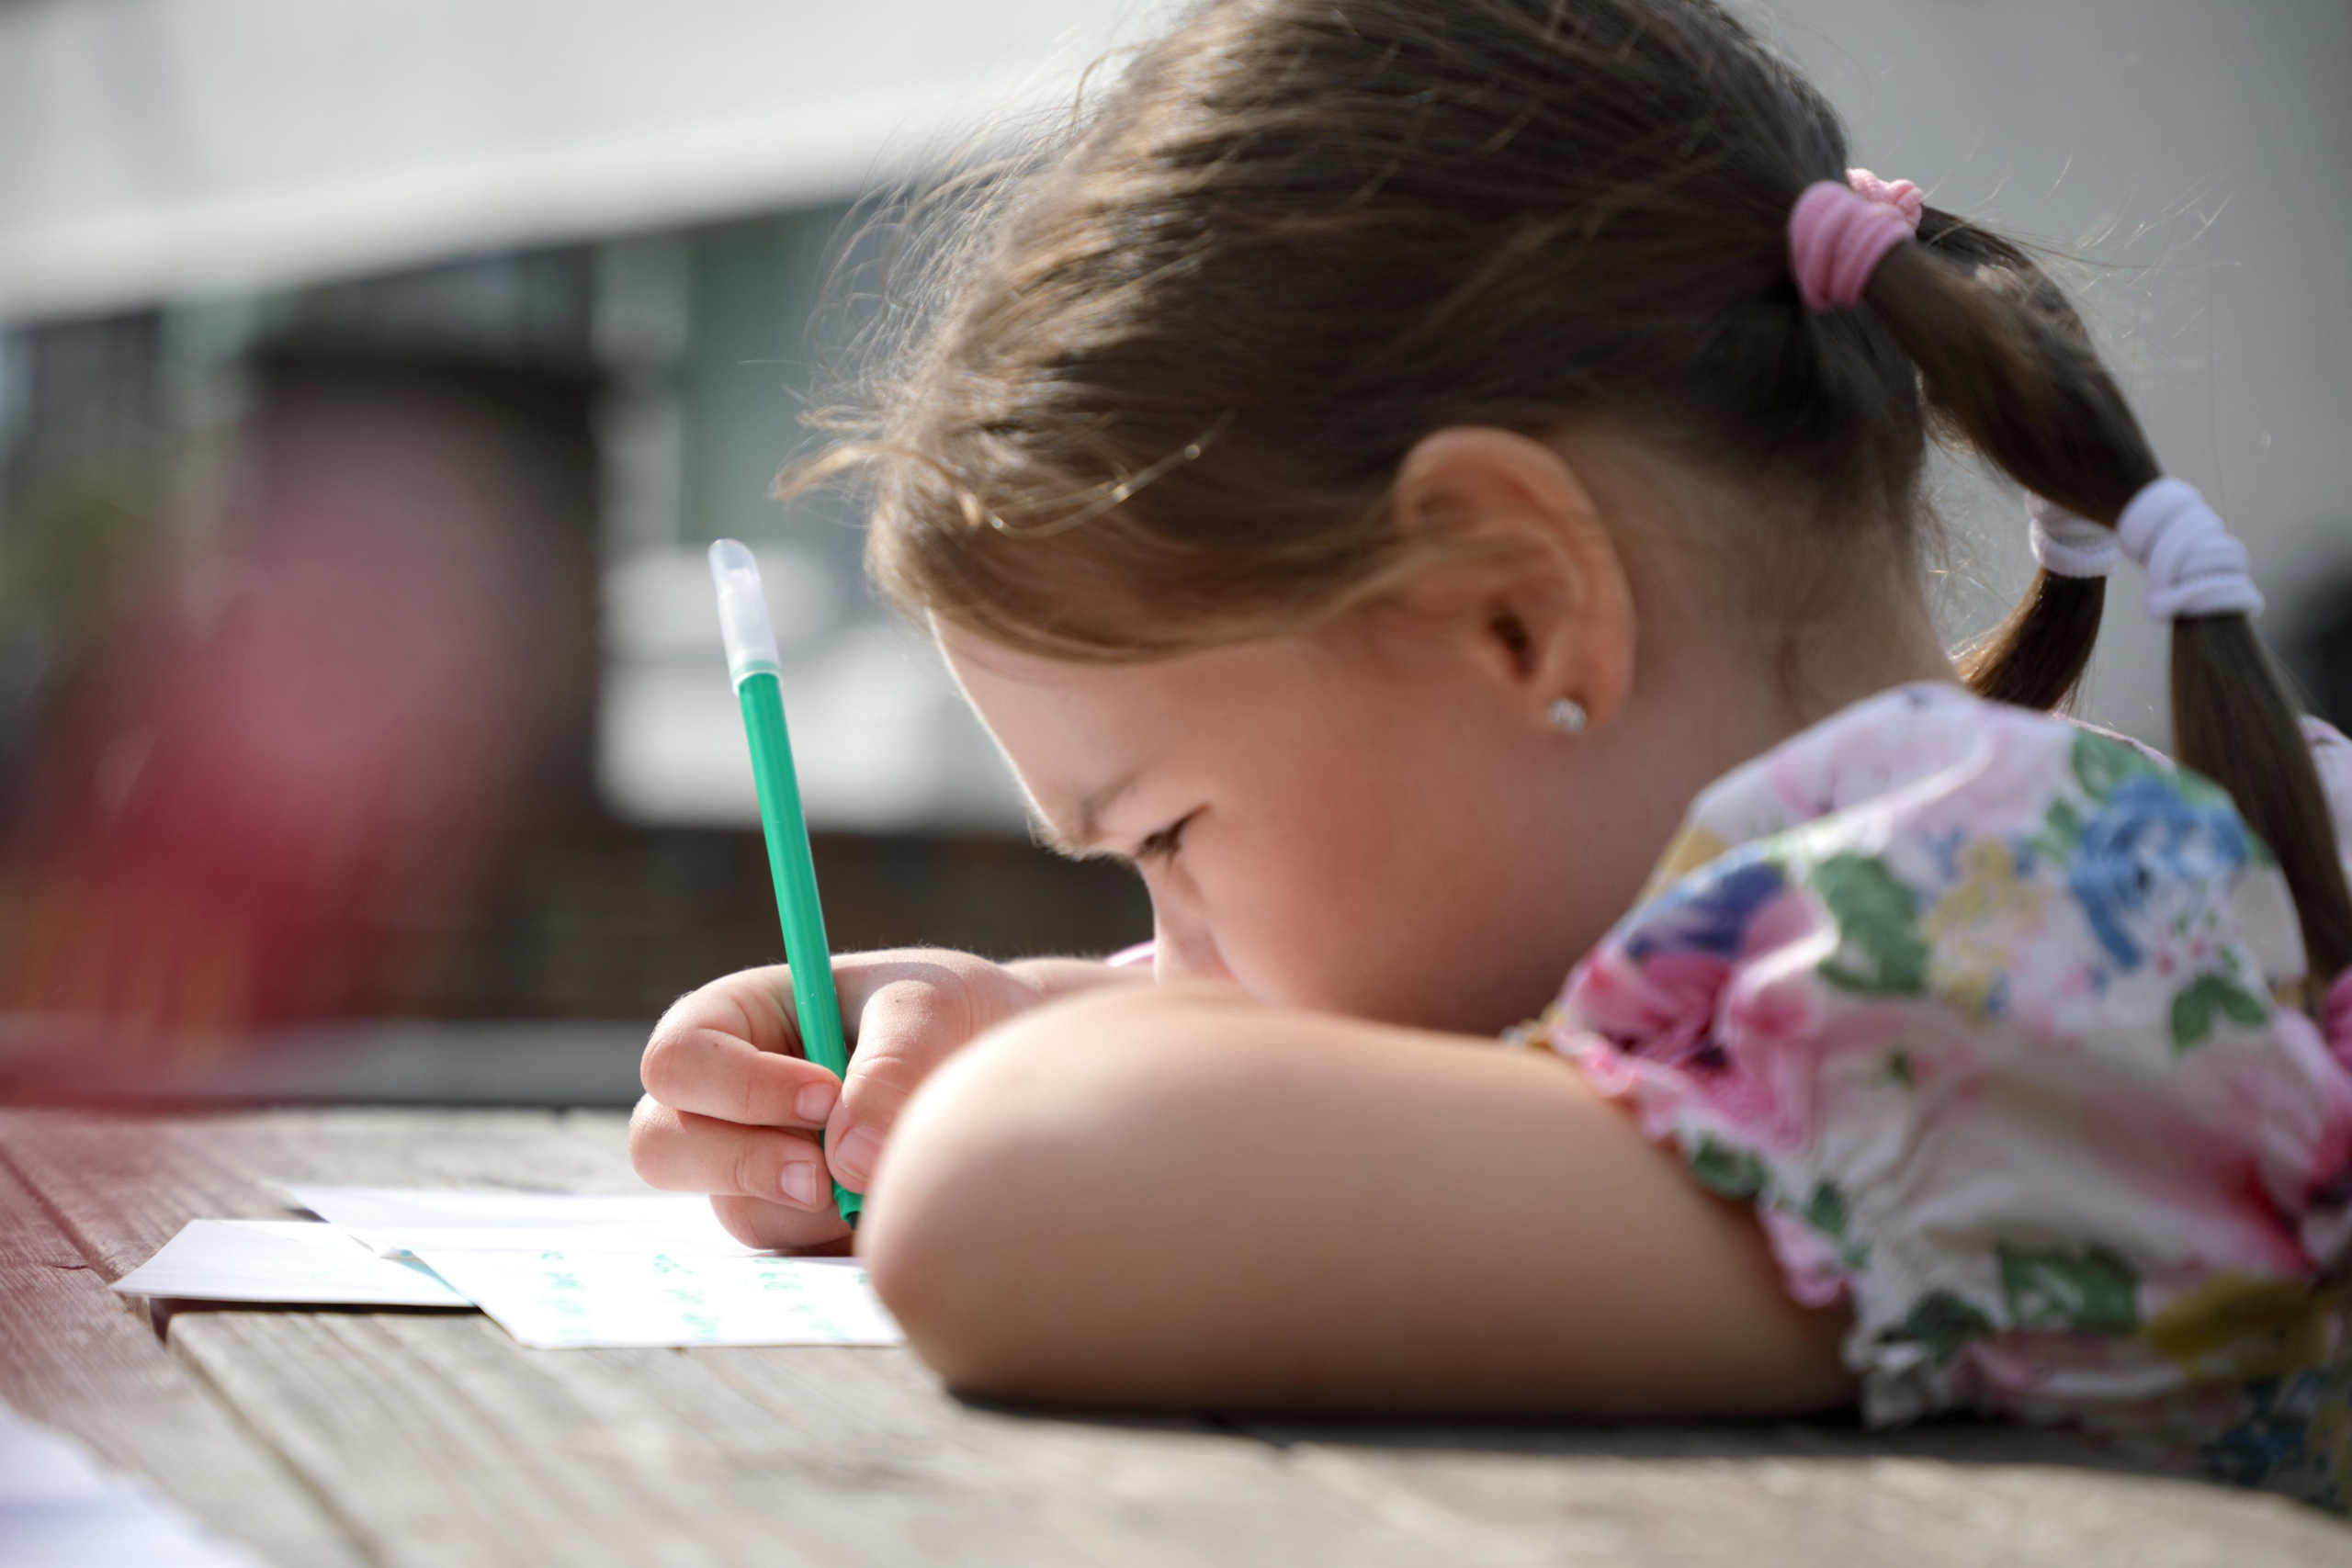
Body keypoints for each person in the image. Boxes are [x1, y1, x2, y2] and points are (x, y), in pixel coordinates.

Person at [628, 0, 2352, 1506]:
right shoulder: (1983, 888)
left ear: (1519, 612)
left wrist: (1018, 1085)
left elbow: (1022, 1193)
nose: (1176, 952)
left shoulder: (1987, 967)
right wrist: (1003, 1014)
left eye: (1169, 832)